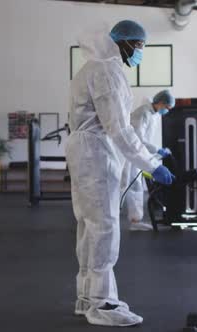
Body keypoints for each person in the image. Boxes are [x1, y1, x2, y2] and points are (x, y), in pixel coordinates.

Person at [66, 20, 175, 327]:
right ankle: (103, 302)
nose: (139, 53)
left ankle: (87, 296)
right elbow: (119, 129)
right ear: (124, 42)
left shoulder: (89, 68)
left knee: (88, 226)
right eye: (139, 47)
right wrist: (152, 164)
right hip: (96, 153)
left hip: (84, 152)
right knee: (104, 226)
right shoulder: (107, 71)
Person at [123, 90, 175, 231]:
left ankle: (135, 220)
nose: (166, 111)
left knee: (134, 186)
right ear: (161, 103)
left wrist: (156, 152)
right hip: (129, 156)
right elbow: (138, 139)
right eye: (167, 108)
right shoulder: (143, 113)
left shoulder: (152, 114)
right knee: (126, 186)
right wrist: (157, 150)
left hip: (136, 154)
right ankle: (126, 220)